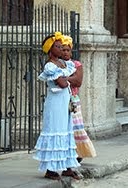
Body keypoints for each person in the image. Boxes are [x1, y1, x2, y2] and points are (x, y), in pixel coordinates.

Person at [33, 32, 81, 181]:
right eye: (57, 47)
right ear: (50, 49)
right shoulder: (50, 66)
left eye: (62, 46)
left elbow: (77, 80)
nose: (61, 49)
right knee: (55, 130)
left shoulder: (65, 64)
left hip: (65, 102)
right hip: (55, 104)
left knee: (66, 131)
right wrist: (68, 79)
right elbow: (62, 83)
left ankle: (67, 167)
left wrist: (67, 79)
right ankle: (50, 169)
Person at [62, 35, 96, 162]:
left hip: (73, 99)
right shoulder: (58, 64)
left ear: (71, 51)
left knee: (76, 126)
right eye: (63, 50)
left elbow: (78, 81)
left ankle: (79, 152)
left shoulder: (76, 64)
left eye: (68, 50)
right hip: (61, 99)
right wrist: (68, 78)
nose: (65, 52)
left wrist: (64, 78)